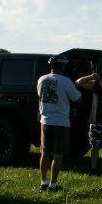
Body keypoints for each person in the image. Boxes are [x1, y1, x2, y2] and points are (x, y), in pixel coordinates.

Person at [37, 55, 83, 192]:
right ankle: (53, 185)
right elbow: (77, 98)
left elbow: (40, 97)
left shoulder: (41, 79)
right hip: (61, 122)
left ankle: (43, 182)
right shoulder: (66, 81)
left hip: (45, 120)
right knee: (58, 154)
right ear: (63, 67)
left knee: (45, 153)